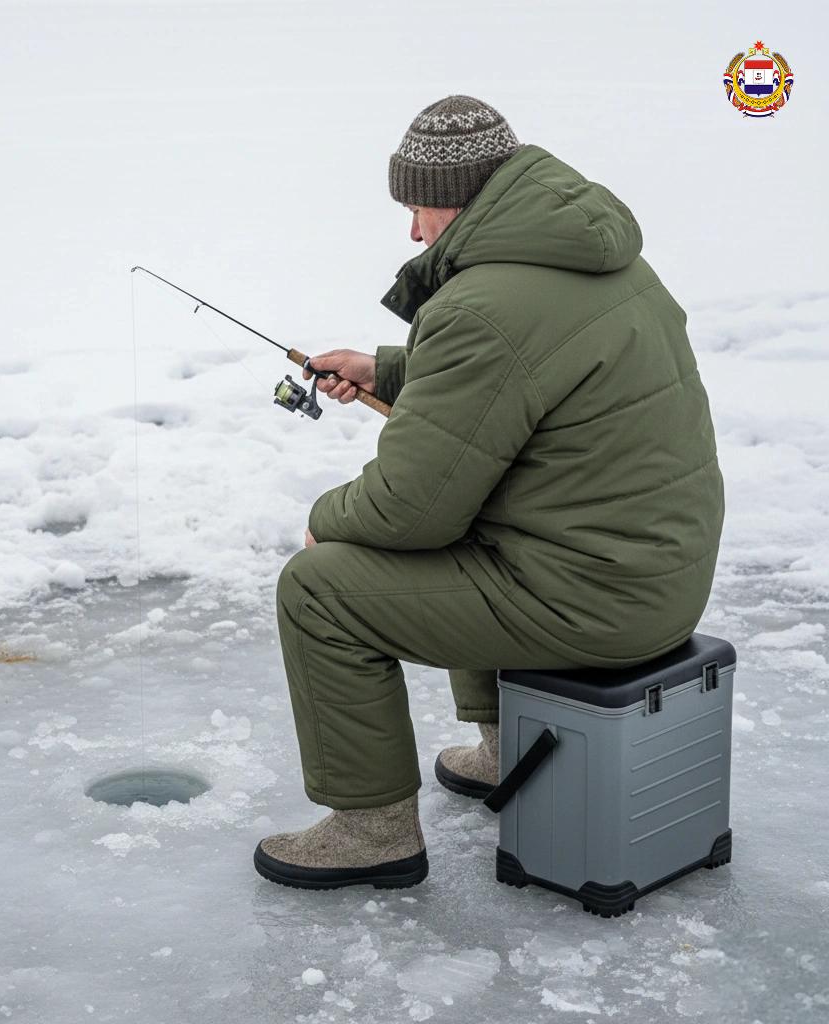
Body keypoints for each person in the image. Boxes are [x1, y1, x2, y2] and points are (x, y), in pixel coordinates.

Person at [252, 95, 724, 890]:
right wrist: (391, 370)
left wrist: (324, 521)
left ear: (463, 196)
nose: (411, 231)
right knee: (485, 522)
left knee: (321, 588)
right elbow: (532, 371)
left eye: (418, 207)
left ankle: (371, 831)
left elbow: (409, 507)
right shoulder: (600, 260)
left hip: (595, 600)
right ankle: (510, 749)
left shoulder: (483, 307)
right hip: (658, 578)